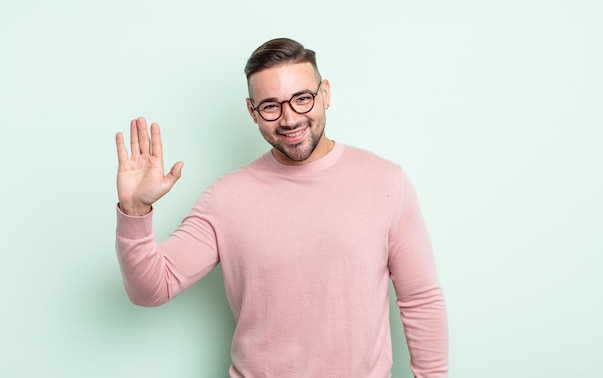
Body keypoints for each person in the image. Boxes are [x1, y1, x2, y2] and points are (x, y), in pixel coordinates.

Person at [115, 37, 448, 377]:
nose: (289, 119)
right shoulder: (226, 197)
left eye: (302, 99)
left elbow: (420, 300)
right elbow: (150, 289)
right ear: (252, 111)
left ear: (326, 94)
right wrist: (135, 211)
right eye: (271, 106)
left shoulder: (386, 182)